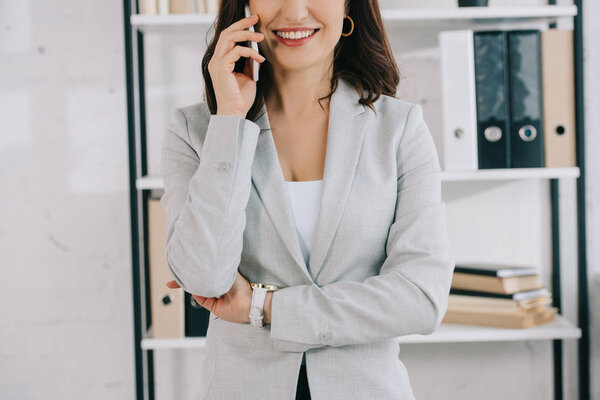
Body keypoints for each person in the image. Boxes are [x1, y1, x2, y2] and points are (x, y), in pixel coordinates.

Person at [161, 0, 455, 399]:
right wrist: (230, 118)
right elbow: (205, 277)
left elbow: (420, 298)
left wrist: (264, 307)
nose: (296, 12)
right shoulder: (196, 131)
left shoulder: (400, 129)